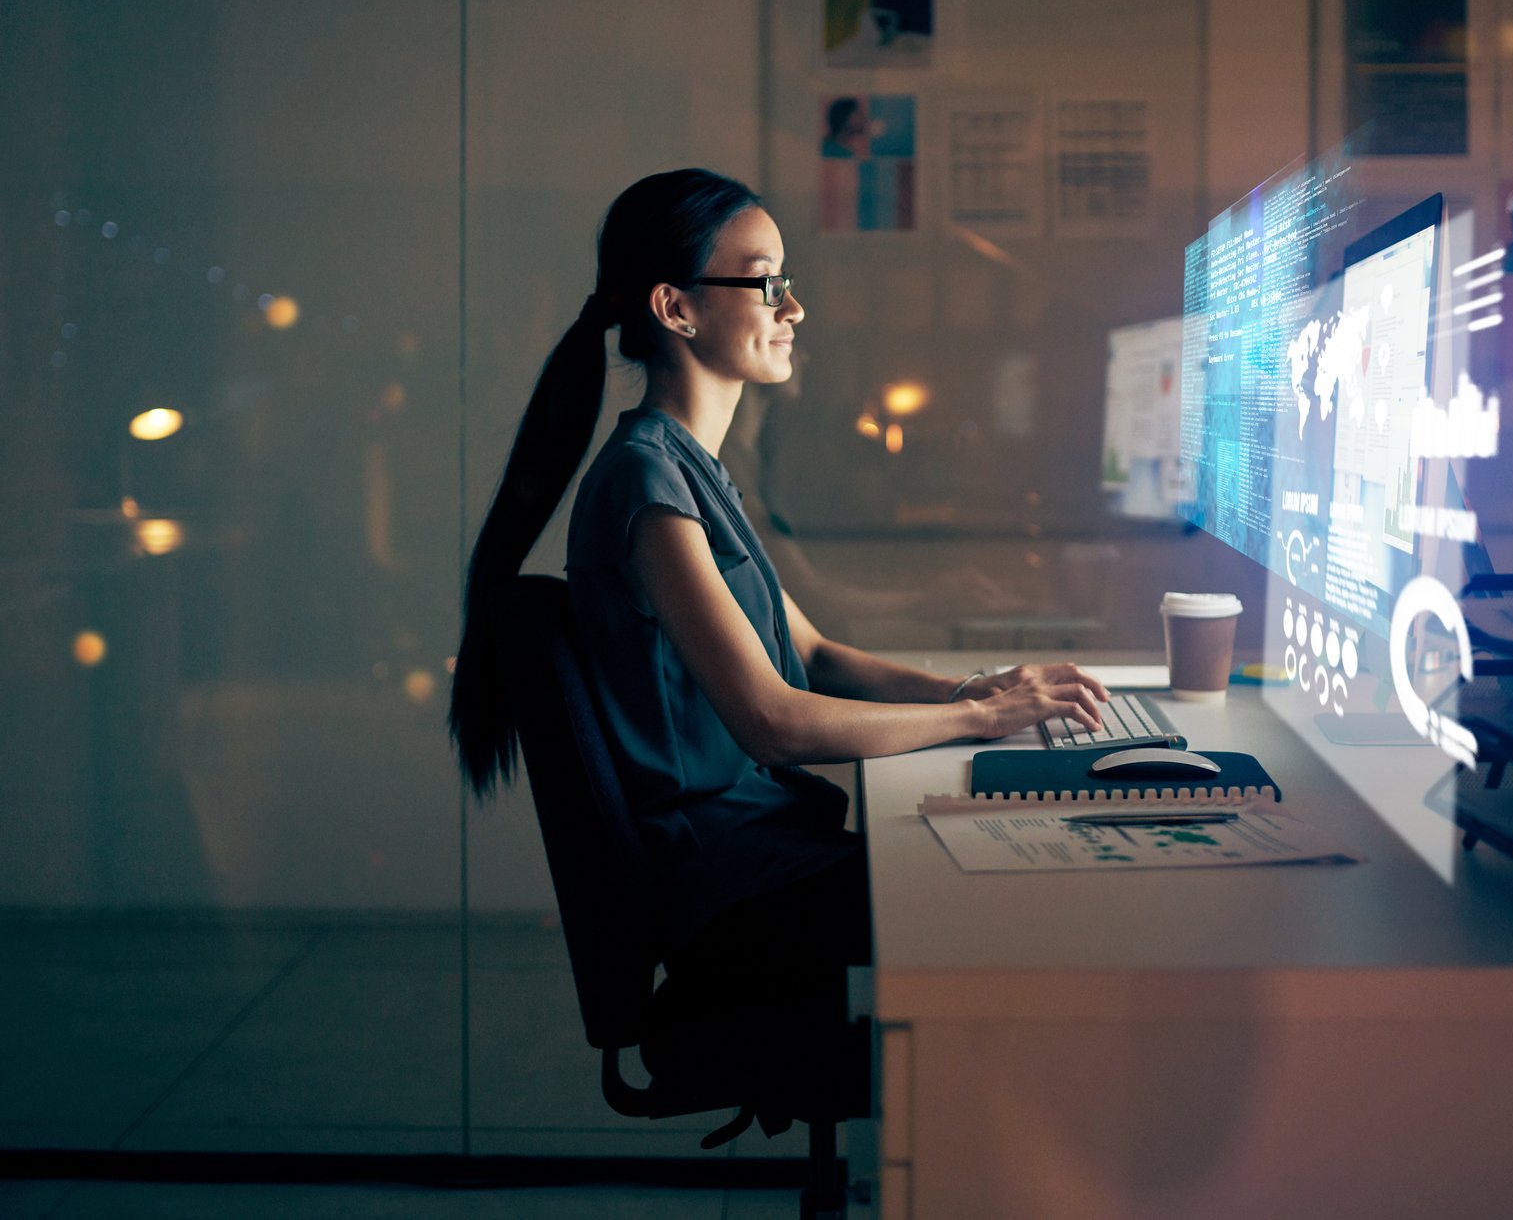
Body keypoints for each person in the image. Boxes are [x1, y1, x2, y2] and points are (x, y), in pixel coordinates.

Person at [449, 167, 1107, 1006]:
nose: (792, 309)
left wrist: (976, 689)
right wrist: (978, 718)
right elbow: (771, 722)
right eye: (766, 283)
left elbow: (813, 653)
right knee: (1028, 889)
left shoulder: (689, 470)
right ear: (675, 308)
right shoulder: (643, 484)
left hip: (761, 856)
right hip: (735, 886)